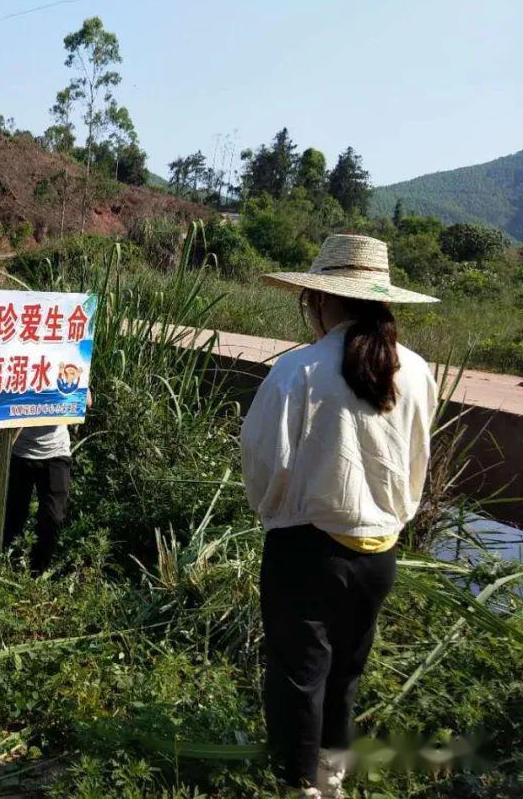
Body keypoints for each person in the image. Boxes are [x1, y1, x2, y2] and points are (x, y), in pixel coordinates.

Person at [240, 235, 439, 798]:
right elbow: (417, 462)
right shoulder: (418, 371)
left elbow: (265, 463)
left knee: (299, 678)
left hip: (307, 549)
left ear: (319, 299)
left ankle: (298, 787)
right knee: (346, 675)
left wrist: (280, 512)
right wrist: (392, 517)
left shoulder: (297, 371)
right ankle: (332, 780)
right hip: (381, 553)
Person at [0, 390, 91, 574]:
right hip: (17, 450)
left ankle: (37, 573)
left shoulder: (65, 363)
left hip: (56, 452)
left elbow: (87, 401)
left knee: (53, 517)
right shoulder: (20, 365)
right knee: (12, 516)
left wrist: (79, 393)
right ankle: (4, 565)